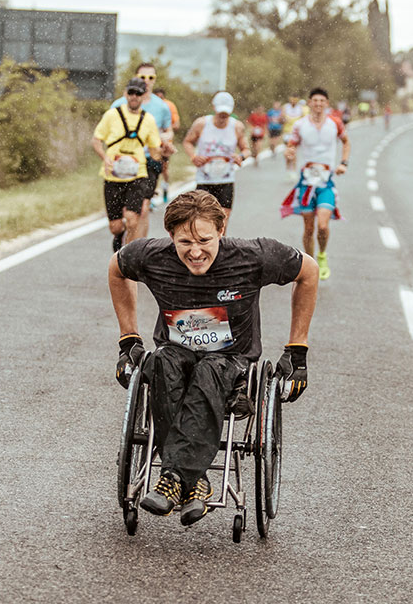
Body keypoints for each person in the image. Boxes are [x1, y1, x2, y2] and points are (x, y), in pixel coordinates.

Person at [109, 190, 318, 526]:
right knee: (161, 363)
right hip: (174, 352)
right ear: (170, 237)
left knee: (210, 369)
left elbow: (307, 273)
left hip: (231, 359)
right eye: (184, 242)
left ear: (222, 230)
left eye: (204, 240)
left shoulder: (255, 256)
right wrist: (128, 339)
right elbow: (116, 269)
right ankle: (195, 483)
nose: (195, 251)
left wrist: (297, 351)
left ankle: (175, 479)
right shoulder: (150, 257)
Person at [281, 87, 350, 281]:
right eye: (315, 100)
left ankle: (322, 255)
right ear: (310, 103)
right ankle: (310, 262)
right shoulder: (300, 125)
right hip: (306, 183)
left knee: (322, 225)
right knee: (309, 228)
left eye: (322, 101)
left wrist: (343, 163)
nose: (318, 104)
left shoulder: (335, 123)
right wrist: (289, 152)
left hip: (326, 182)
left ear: (326, 103)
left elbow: (346, 142)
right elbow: (291, 145)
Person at [93, 78, 164, 251]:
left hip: (136, 174)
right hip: (113, 175)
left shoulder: (148, 120)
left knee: (133, 218)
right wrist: (104, 157)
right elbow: (96, 140)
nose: (134, 97)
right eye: (131, 93)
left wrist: (164, 151)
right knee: (115, 226)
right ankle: (119, 233)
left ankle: (126, 256)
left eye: (138, 93)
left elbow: (155, 152)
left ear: (143, 96)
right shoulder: (112, 115)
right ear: (125, 94)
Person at [111, 63, 175, 234]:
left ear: (155, 80)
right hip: (123, 160)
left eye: (150, 77)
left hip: (149, 160)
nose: (146, 81)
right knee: (125, 215)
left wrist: (164, 139)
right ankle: (124, 241)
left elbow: (168, 131)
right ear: (135, 77)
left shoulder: (161, 107)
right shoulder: (119, 104)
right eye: (142, 77)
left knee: (143, 208)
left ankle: (139, 254)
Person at [182, 91, 248, 229]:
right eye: (220, 113)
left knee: (222, 222)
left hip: (226, 180)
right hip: (204, 180)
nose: (223, 117)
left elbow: (246, 149)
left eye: (226, 114)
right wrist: (194, 157)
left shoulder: (237, 126)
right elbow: (187, 142)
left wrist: (240, 157)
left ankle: (220, 249)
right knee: (202, 220)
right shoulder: (201, 124)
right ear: (214, 108)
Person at [153, 88, 180, 202]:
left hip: (164, 145)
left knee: (164, 169)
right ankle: (151, 195)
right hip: (151, 144)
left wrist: (165, 129)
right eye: (157, 97)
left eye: (161, 97)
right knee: (151, 169)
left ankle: (165, 186)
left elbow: (176, 124)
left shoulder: (169, 106)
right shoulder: (150, 106)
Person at [282, 96, 304, 173]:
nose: (293, 101)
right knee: (287, 153)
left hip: (295, 134)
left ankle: (293, 170)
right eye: (292, 99)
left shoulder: (300, 108)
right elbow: (282, 118)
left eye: (295, 99)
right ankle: (288, 168)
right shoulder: (285, 107)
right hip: (287, 133)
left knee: (294, 153)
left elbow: (303, 120)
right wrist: (284, 119)